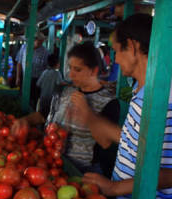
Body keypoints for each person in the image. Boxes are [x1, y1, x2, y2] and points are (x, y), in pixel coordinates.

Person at [71, 14, 172, 199]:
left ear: (133, 47)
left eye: (117, 51)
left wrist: (115, 187)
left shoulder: (165, 99)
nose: (114, 59)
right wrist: (90, 117)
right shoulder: (140, 90)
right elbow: (134, 141)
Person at [13, 41, 119, 175]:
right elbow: (43, 114)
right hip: (52, 162)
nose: (71, 75)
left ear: (94, 70)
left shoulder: (109, 102)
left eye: (78, 70)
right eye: (70, 68)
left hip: (82, 171)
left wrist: (86, 112)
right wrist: (25, 121)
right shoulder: (65, 91)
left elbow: (105, 143)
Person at [16, 31, 49, 107]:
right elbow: (19, 63)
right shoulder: (24, 48)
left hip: (37, 80)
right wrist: (18, 77)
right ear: (34, 40)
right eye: (39, 41)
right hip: (24, 78)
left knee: (34, 99)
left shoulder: (45, 52)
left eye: (42, 41)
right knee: (22, 98)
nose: (41, 43)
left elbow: (46, 68)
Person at [35, 54, 64, 119]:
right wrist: (71, 84)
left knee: (42, 115)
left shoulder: (44, 72)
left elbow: (38, 84)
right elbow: (60, 83)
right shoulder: (57, 73)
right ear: (57, 64)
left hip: (43, 98)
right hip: (52, 100)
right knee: (50, 116)